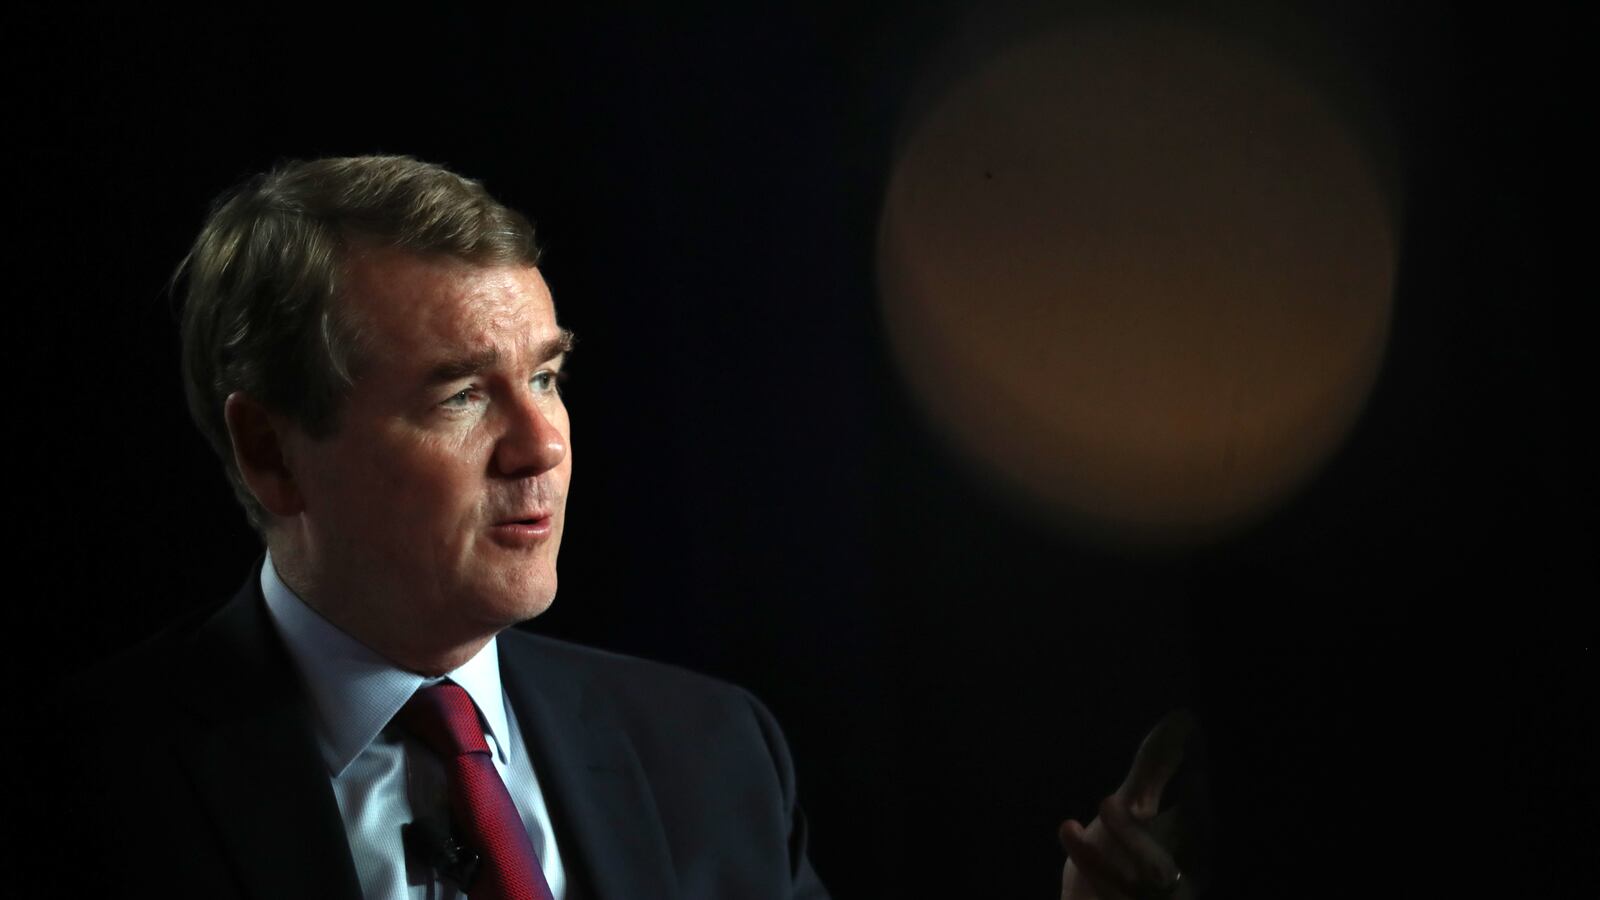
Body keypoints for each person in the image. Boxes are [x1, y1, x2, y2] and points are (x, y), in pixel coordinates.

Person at [50, 155, 1190, 900]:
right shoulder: (85, 792)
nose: (539, 444)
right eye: (459, 395)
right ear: (270, 451)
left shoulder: (710, 752)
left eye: (545, 377)